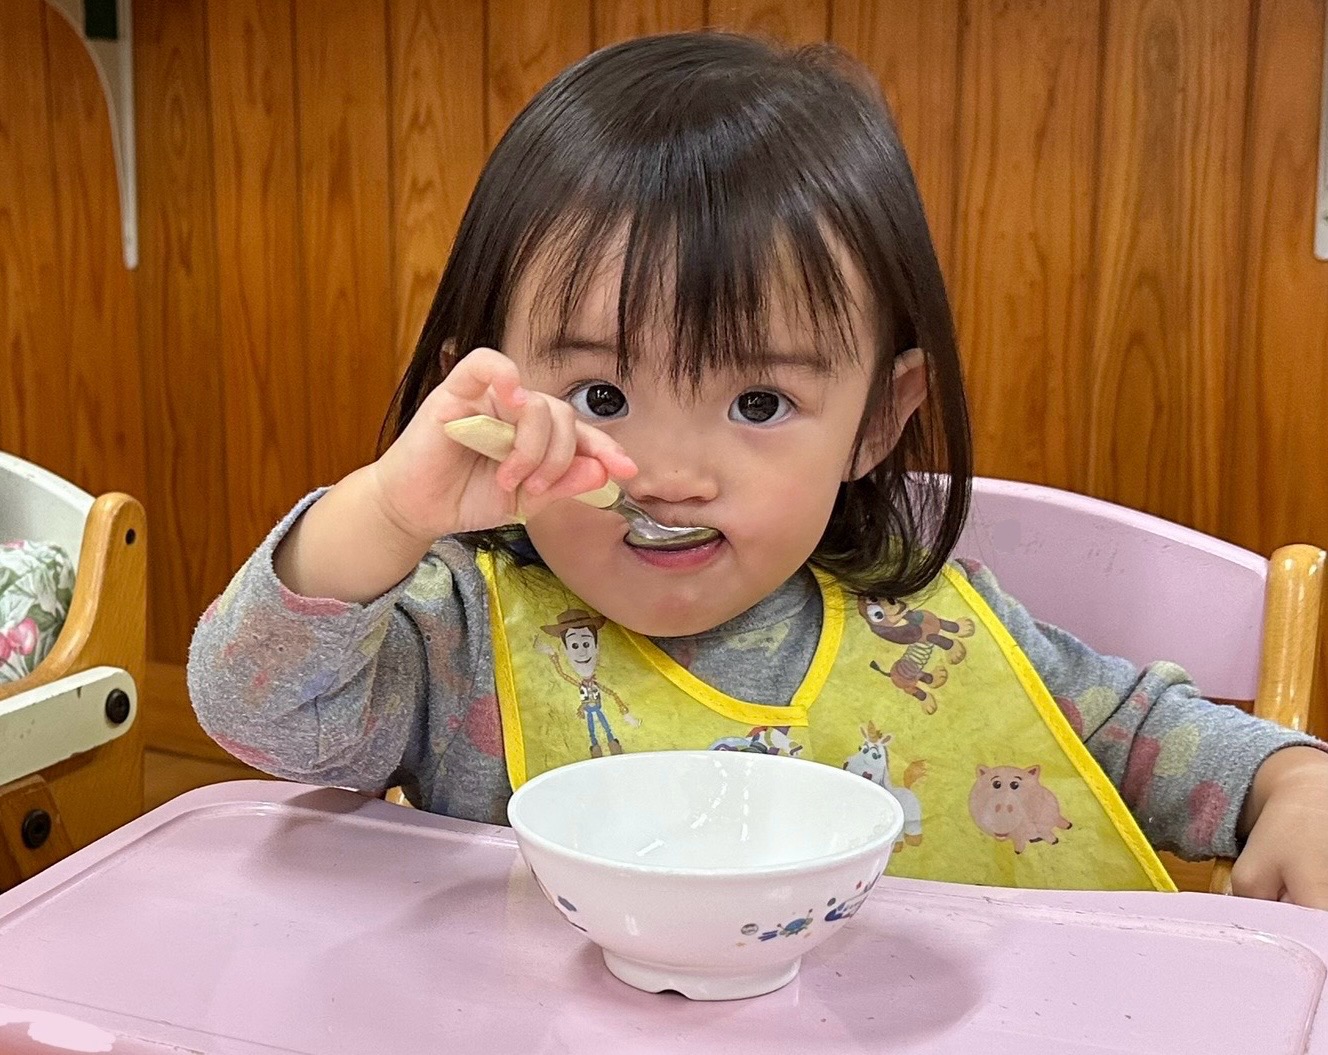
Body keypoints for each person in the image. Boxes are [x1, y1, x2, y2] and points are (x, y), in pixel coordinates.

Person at [188, 31, 1328, 905]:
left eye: (759, 402)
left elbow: (1138, 732)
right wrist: (389, 504)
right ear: (484, 398)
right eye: (598, 397)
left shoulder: (930, 625)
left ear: (877, 420)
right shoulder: (455, 641)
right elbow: (253, 706)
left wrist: (1291, 782)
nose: (672, 472)